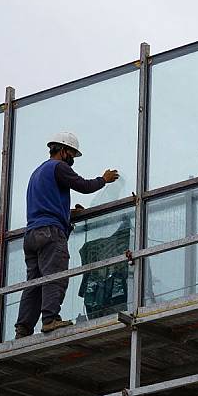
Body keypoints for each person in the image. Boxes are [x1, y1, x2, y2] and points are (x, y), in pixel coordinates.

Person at [14, 132, 119, 339]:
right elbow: (84, 186)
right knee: (55, 277)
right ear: (62, 151)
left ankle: (23, 328)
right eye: (71, 153)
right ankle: (50, 319)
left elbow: (45, 204)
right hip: (50, 233)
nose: (72, 159)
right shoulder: (58, 167)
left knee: (34, 284)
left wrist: (67, 213)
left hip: (32, 234)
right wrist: (103, 180)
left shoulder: (38, 172)